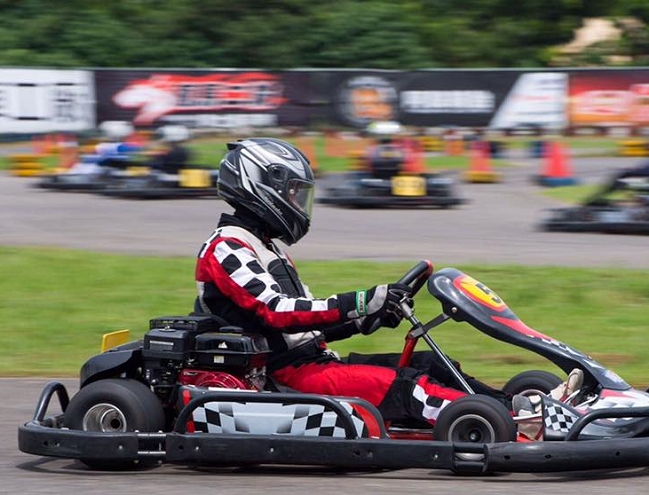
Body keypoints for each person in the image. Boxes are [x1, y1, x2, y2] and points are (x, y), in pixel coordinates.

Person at [193, 137, 570, 431]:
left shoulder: (264, 247)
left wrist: (367, 317)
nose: (298, 202)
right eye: (293, 193)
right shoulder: (226, 246)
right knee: (410, 387)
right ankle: (512, 421)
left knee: (431, 363)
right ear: (262, 188)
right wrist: (359, 302)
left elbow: (305, 327)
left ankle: (514, 406)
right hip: (284, 376)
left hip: (310, 362)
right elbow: (275, 313)